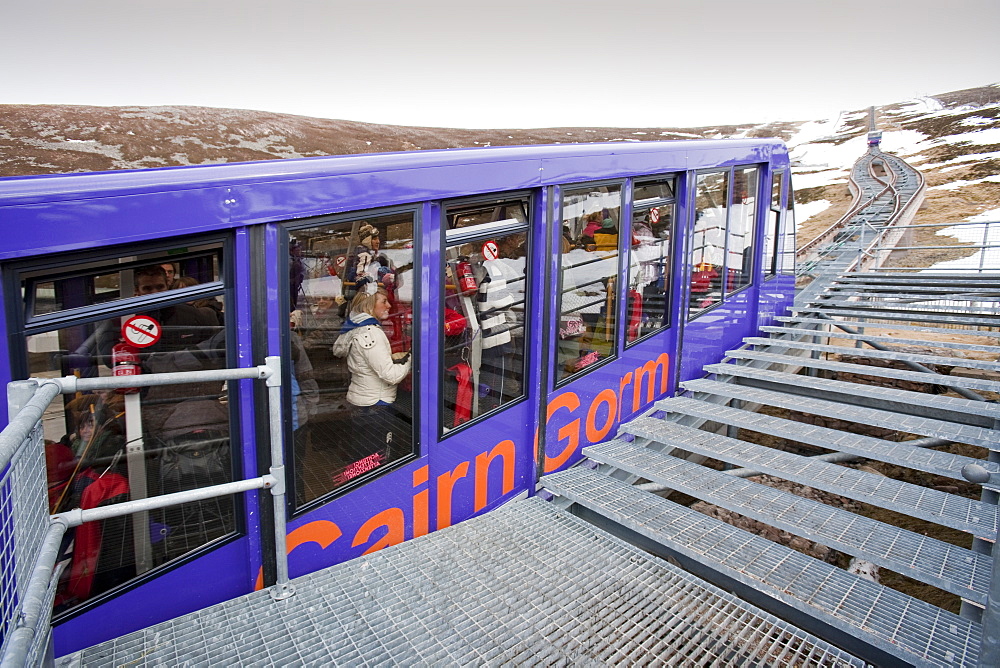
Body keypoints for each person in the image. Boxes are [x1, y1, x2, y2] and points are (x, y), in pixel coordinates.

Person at [331, 288, 411, 470]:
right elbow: (391, 375)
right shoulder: (372, 332)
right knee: (377, 459)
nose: (389, 305)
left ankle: (359, 487)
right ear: (369, 305)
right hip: (377, 403)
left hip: (362, 400)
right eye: (383, 301)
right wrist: (411, 359)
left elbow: (367, 362)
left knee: (362, 456)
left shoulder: (354, 328)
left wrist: (392, 359)